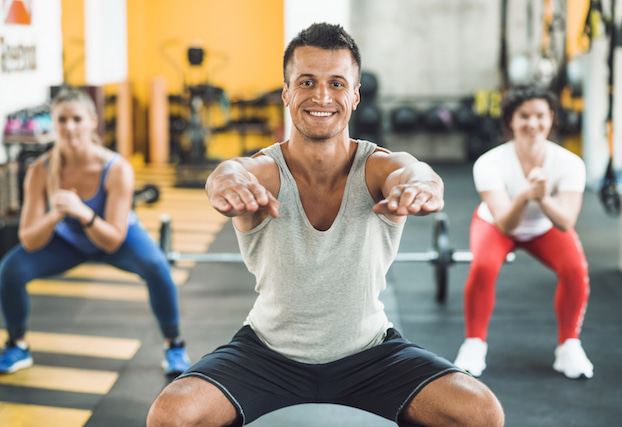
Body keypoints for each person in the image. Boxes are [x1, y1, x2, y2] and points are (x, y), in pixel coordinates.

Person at [147, 23, 504, 427]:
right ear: (286, 92)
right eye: (307, 82)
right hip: (267, 355)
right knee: (170, 414)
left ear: (354, 96)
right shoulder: (264, 172)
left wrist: (422, 186)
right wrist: (225, 182)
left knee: (481, 413)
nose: (321, 96)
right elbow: (231, 171)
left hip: (370, 355)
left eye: (336, 83)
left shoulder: (376, 168)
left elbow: (413, 171)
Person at [0, 87, 191, 376]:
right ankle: (17, 345)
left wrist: (82, 212)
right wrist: (55, 215)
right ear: (53, 123)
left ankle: (174, 344)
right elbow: (28, 237)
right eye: (62, 120)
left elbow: (113, 240)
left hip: (117, 237)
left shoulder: (116, 169)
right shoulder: (41, 170)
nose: (69, 127)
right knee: (10, 269)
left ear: (92, 121)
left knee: (156, 266)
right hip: (69, 241)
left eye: (77, 119)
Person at [453, 84, 593, 379]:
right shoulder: (489, 163)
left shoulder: (570, 164)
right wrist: (525, 195)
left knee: (575, 270)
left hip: (544, 226)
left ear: (552, 117)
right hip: (497, 223)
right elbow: (506, 223)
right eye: (524, 116)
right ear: (511, 121)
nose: (533, 123)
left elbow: (565, 221)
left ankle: (569, 346)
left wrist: (541, 197)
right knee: (483, 267)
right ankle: (474, 344)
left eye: (540, 115)